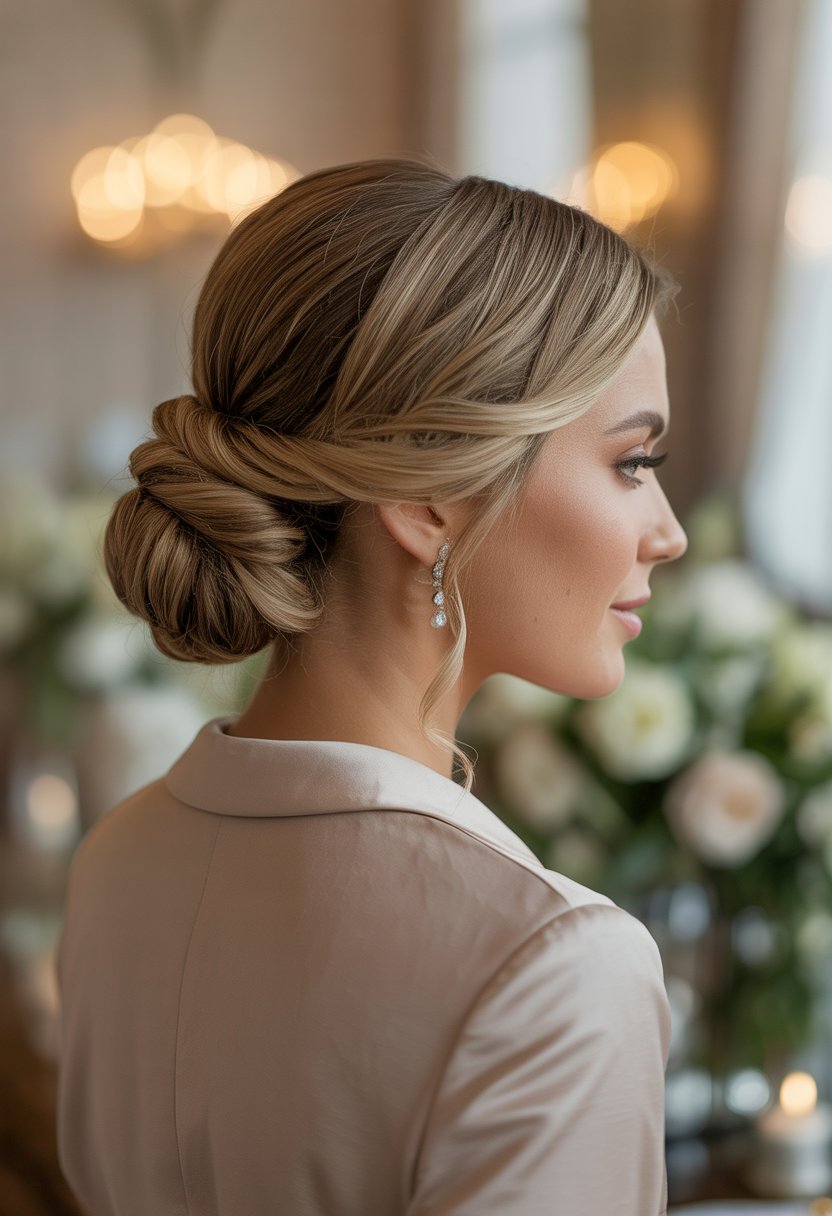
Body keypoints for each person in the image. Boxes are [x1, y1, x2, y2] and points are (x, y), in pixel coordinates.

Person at [55, 156, 688, 1215]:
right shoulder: (555, 965)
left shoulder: (116, 861)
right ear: (430, 496)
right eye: (631, 462)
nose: (665, 531)